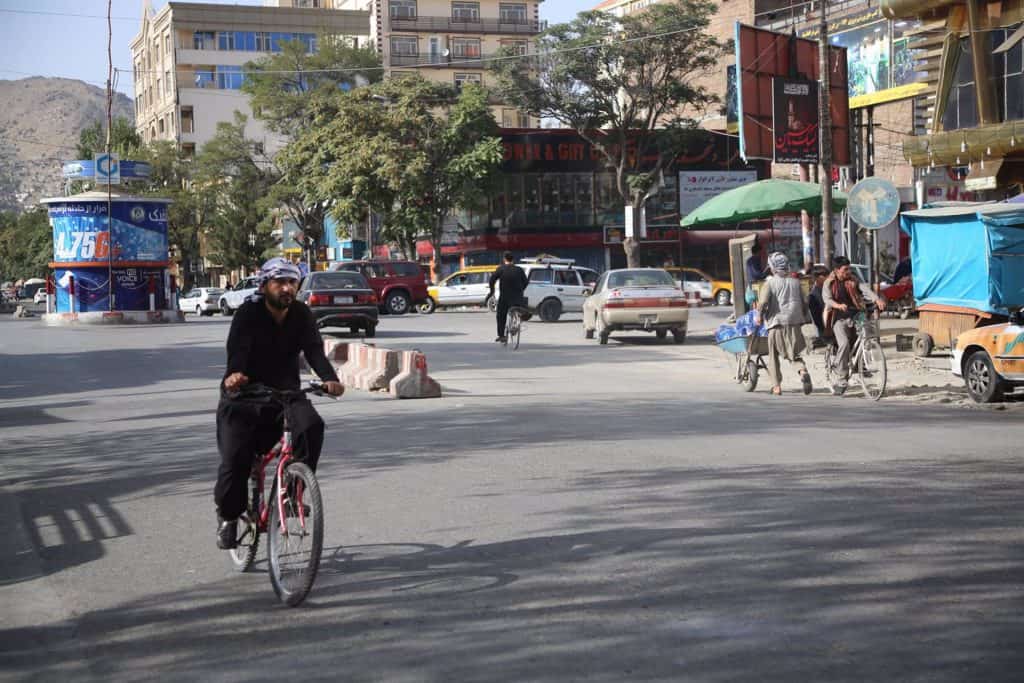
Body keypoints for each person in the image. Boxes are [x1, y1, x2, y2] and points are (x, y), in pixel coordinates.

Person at [214, 257, 344, 550]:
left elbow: (314, 350)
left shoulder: (301, 314)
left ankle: (292, 494)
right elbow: (237, 348)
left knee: (311, 426)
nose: (287, 288)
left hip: (284, 395)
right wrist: (234, 375)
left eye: (292, 283)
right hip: (243, 397)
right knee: (235, 462)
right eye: (280, 283)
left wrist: (329, 378)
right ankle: (229, 517)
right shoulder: (248, 314)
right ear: (265, 285)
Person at [822, 255, 886, 395]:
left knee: (868, 334)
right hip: (838, 318)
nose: (848, 272)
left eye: (849, 269)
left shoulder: (853, 279)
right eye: (845, 270)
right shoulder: (829, 283)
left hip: (857, 314)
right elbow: (827, 299)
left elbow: (865, 290)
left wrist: (877, 299)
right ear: (837, 270)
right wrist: (838, 305)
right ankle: (841, 376)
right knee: (844, 344)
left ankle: (861, 365)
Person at [755, 252, 813, 396]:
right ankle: (802, 371)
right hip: (795, 323)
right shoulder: (795, 282)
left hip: (776, 323)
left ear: (773, 267)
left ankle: (776, 386)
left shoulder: (770, 283)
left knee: (774, 356)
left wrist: (759, 317)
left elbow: (762, 303)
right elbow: (805, 303)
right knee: (793, 354)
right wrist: (803, 316)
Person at [488, 251, 529, 343]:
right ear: (513, 259)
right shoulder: (519, 269)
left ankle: (502, 335)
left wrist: (492, 291)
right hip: (518, 298)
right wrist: (520, 290)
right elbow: (526, 282)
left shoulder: (501, 269)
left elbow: (492, 280)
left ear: (504, 259)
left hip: (505, 298)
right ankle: (517, 322)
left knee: (500, 315)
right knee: (518, 309)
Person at [807, 266, 830, 344]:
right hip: (825, 327)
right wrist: (823, 329)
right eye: (826, 276)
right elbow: (816, 317)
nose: (828, 277)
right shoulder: (813, 295)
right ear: (819, 277)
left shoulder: (828, 289)